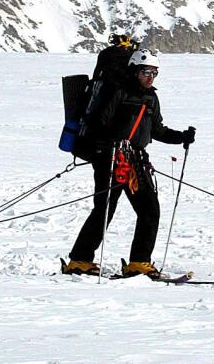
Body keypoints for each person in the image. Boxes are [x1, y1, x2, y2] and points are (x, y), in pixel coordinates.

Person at [62, 49, 195, 277]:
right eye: (146, 72)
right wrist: (112, 142)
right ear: (135, 71)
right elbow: (97, 123)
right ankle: (80, 260)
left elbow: (157, 130)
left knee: (149, 210)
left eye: (154, 73)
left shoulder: (151, 97)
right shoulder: (117, 91)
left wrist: (181, 137)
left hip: (136, 160)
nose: (150, 77)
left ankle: (139, 263)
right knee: (104, 210)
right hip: (110, 158)